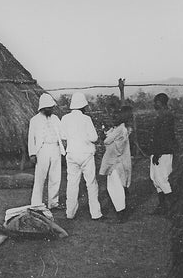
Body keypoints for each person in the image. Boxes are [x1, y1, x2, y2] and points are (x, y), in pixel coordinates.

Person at [60, 92, 104, 221]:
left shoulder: (65, 118)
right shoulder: (86, 119)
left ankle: (70, 213)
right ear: (83, 106)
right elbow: (94, 138)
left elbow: (63, 136)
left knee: (72, 183)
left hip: (72, 153)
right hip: (86, 154)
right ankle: (95, 213)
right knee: (91, 183)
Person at [28, 93, 66, 210]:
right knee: (40, 178)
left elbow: (62, 133)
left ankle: (53, 203)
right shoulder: (34, 120)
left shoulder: (55, 118)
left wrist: (63, 144)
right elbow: (31, 138)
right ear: (43, 107)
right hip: (42, 149)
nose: (51, 109)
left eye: (52, 107)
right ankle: (36, 204)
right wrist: (32, 154)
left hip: (55, 148)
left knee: (55, 177)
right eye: (49, 107)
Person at [99, 106, 133, 223]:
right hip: (117, 161)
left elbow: (107, 140)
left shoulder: (120, 130)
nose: (113, 118)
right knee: (115, 187)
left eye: (116, 116)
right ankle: (121, 211)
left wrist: (104, 136)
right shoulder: (120, 129)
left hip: (116, 162)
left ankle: (121, 213)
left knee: (115, 188)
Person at [150, 93, 177, 214]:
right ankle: (162, 207)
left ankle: (172, 208)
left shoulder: (165, 116)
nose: (154, 104)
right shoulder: (163, 115)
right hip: (159, 151)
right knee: (155, 179)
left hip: (163, 152)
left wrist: (157, 153)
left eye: (155, 102)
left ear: (159, 103)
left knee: (161, 179)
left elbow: (164, 137)